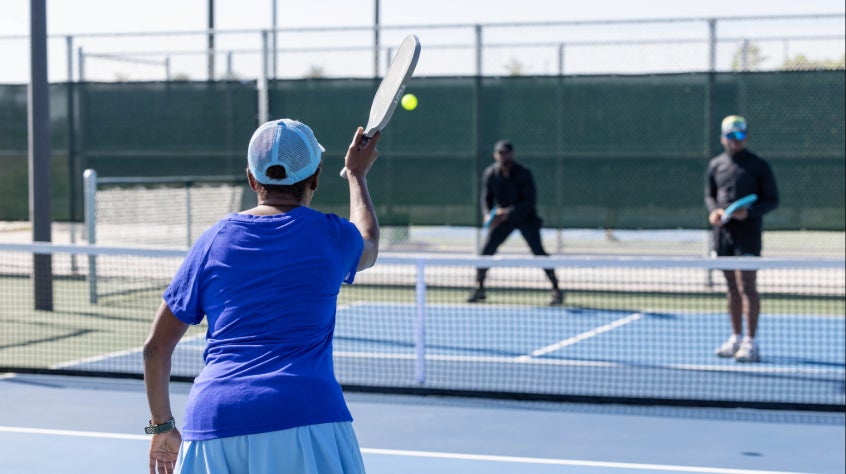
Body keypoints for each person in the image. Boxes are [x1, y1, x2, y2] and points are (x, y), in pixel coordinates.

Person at [143, 118, 381, 474]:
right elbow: (370, 242)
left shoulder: (212, 241)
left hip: (214, 420)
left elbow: (155, 348)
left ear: (253, 180)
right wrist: (356, 175)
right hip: (307, 414)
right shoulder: (332, 236)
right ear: (315, 178)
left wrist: (162, 428)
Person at [706, 115, 779, 363]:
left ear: (745, 136)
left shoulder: (759, 166)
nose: (734, 141)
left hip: (748, 236)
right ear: (722, 138)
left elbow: (772, 200)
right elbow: (710, 195)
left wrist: (748, 212)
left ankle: (751, 342)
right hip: (723, 236)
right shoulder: (716, 165)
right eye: (730, 135)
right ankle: (735, 337)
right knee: (731, 288)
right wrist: (714, 212)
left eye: (739, 135)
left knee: (747, 286)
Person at [467, 139, 564, 306]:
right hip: (503, 221)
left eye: (506, 153)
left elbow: (529, 201)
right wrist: (487, 215)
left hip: (526, 219)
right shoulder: (490, 173)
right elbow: (486, 198)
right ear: (495, 155)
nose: (503, 156)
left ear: (512, 154)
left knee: (539, 252)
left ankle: (556, 289)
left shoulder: (524, 173)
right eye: (500, 153)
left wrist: (506, 213)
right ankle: (479, 287)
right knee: (486, 252)